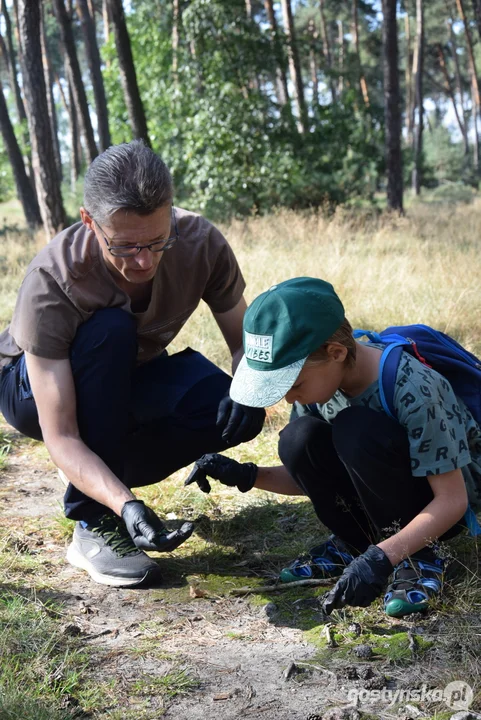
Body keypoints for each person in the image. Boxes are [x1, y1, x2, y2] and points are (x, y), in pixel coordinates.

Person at [0, 140, 265, 588]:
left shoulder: (200, 242)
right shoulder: (53, 280)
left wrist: (249, 388)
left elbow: (246, 345)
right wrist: (124, 504)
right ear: (90, 222)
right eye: (123, 247)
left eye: (157, 241)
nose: (143, 260)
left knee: (232, 409)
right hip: (28, 387)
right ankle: (93, 522)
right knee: (111, 329)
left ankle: (102, 472)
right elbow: (60, 433)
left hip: (128, 374)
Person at [186, 277, 481, 618]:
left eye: (292, 384)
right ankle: (354, 543)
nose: (287, 396)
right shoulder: (321, 385)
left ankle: (420, 558)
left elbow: (453, 500)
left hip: (441, 509)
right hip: (386, 500)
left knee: (355, 429)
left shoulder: (413, 388)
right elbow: (311, 476)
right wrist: (244, 474)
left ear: (337, 353)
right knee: (298, 438)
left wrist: (381, 559)